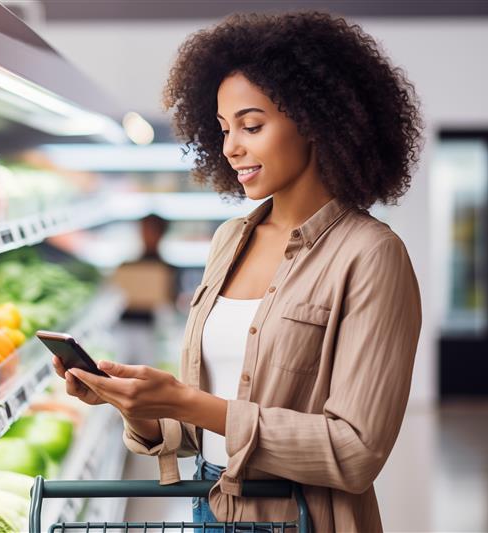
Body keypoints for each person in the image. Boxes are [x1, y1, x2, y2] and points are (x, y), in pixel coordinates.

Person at [53, 11, 423, 532]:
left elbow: (356, 451)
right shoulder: (230, 240)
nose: (230, 147)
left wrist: (192, 403)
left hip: (301, 518)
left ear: (317, 120)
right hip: (211, 508)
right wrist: (136, 404)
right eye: (224, 129)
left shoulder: (371, 255)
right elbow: (200, 426)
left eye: (251, 125)